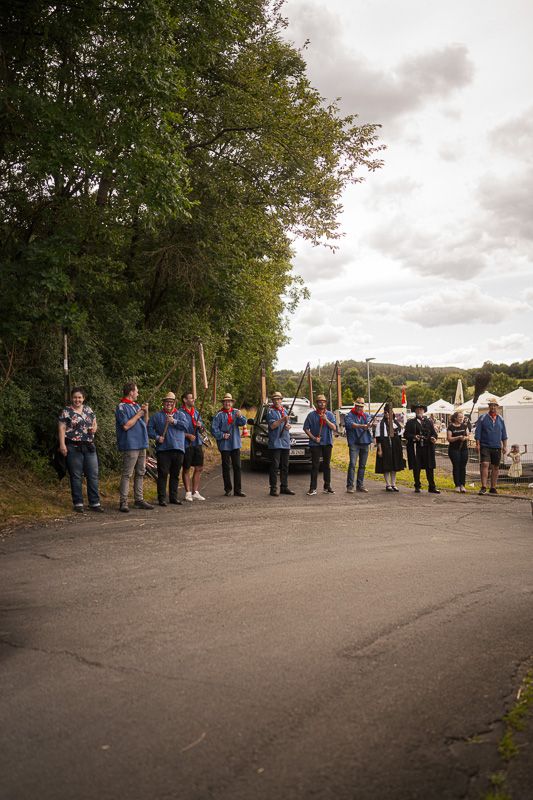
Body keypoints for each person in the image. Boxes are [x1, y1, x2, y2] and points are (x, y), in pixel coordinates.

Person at [58, 386, 103, 513]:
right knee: (76, 475)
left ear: (83, 398)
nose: (77, 400)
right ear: (71, 398)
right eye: (75, 397)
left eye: (79, 397)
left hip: (89, 446)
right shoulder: (66, 411)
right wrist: (62, 445)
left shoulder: (88, 409)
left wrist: (94, 429)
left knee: (93, 475)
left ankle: (94, 503)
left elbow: (94, 423)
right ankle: (78, 503)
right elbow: (61, 428)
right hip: (73, 446)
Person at [115, 382, 153, 512]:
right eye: (136, 391)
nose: (138, 393)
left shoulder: (136, 405)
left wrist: (145, 412)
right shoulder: (121, 407)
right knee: (127, 473)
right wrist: (138, 415)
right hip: (130, 444)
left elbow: (145, 423)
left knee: (141, 472)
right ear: (131, 392)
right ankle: (123, 501)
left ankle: (139, 500)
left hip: (142, 443)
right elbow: (126, 426)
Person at [147, 391, 187, 506]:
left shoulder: (180, 415)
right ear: (163, 403)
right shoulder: (157, 416)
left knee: (175, 474)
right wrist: (157, 437)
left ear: (175, 403)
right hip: (163, 449)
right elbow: (149, 429)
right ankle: (162, 498)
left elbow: (186, 426)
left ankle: (173, 497)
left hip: (178, 448)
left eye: (171, 402)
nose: (169, 404)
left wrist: (174, 421)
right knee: (163, 474)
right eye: (167, 402)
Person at [211, 393, 247, 497]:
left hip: (235, 444)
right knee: (226, 467)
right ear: (223, 403)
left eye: (229, 401)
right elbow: (214, 429)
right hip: (224, 445)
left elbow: (243, 422)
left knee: (237, 467)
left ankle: (238, 490)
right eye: (225, 402)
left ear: (232, 403)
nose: (227, 403)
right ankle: (228, 489)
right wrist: (222, 435)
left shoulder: (236, 412)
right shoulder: (219, 415)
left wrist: (240, 416)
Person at [303, 394, 337, 496]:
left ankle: (327, 486)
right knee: (315, 466)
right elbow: (305, 428)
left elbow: (334, 428)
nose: (322, 403)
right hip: (315, 444)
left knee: (326, 465)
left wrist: (326, 419)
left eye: (323, 402)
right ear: (317, 403)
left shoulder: (330, 414)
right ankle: (312, 488)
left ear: (326, 403)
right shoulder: (311, 415)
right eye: (319, 402)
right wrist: (313, 438)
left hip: (327, 442)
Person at [404, 403, 440, 493]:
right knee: (416, 467)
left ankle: (432, 487)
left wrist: (433, 438)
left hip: (428, 447)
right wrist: (414, 436)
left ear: (424, 411)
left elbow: (434, 433)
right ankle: (417, 486)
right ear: (415, 411)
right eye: (417, 409)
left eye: (421, 409)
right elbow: (406, 434)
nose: (419, 411)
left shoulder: (428, 422)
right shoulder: (410, 422)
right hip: (416, 448)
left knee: (429, 467)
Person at [475, 399, 508, 495]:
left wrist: (505, 446)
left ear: (497, 407)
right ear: (489, 406)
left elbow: (504, 434)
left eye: (494, 405)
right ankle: (483, 486)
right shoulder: (482, 418)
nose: (493, 407)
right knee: (484, 464)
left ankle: (493, 487)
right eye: (491, 405)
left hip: (497, 446)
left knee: (496, 467)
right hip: (485, 445)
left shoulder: (500, 419)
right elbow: (478, 432)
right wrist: (477, 444)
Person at [267, 391, 295, 497]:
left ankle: (284, 487)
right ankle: (273, 488)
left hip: (285, 442)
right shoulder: (270, 411)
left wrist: (288, 426)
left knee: (285, 466)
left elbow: (288, 424)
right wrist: (282, 419)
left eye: (279, 399)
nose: (277, 401)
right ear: (272, 401)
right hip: (275, 442)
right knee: (275, 466)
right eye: (275, 399)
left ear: (281, 400)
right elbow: (272, 426)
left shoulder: (285, 410)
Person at [181, 391, 207, 501]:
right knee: (186, 468)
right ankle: (187, 492)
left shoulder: (196, 412)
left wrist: (200, 426)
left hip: (197, 443)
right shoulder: (180, 413)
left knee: (199, 467)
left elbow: (203, 429)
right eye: (191, 398)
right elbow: (176, 430)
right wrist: (187, 435)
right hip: (186, 444)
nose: (193, 400)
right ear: (185, 400)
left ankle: (195, 492)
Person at [344, 397, 374, 493]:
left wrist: (370, 424)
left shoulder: (366, 415)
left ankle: (360, 485)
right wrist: (362, 426)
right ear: (355, 405)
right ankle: (350, 486)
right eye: (357, 406)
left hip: (365, 442)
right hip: (354, 443)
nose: (359, 408)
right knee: (352, 464)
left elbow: (370, 422)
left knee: (362, 465)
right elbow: (351, 424)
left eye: (361, 406)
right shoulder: (349, 415)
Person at [375, 404, 404, 491]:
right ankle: (388, 484)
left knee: (394, 466)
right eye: (386, 412)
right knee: (386, 466)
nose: (387, 414)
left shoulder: (396, 424)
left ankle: (393, 484)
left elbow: (399, 436)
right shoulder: (380, 425)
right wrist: (380, 450)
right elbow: (378, 439)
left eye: (389, 412)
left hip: (395, 447)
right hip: (385, 446)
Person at [447, 411, 470, 493]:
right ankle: (457, 485)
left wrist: (465, 438)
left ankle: (462, 485)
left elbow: (468, 436)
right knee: (456, 466)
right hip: (454, 449)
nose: (461, 419)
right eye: (460, 417)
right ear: (455, 418)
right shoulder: (450, 427)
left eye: (462, 417)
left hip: (464, 449)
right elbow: (449, 438)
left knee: (463, 467)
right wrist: (458, 438)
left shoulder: (464, 426)